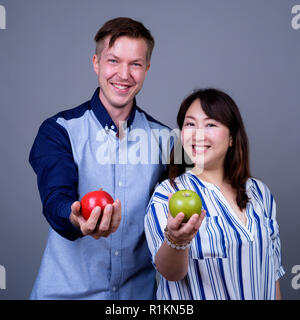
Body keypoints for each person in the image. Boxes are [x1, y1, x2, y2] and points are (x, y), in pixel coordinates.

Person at [29, 17, 172, 299]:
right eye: (113, 61)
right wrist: (74, 217)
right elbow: (56, 197)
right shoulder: (59, 131)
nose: (124, 74)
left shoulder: (166, 140)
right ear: (96, 63)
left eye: (135, 64)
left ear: (147, 69)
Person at [144, 88, 285, 300]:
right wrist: (177, 240)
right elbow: (170, 273)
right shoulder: (167, 195)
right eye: (190, 124)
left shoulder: (259, 193)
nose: (198, 134)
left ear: (231, 138)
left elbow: (271, 273)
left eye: (210, 124)